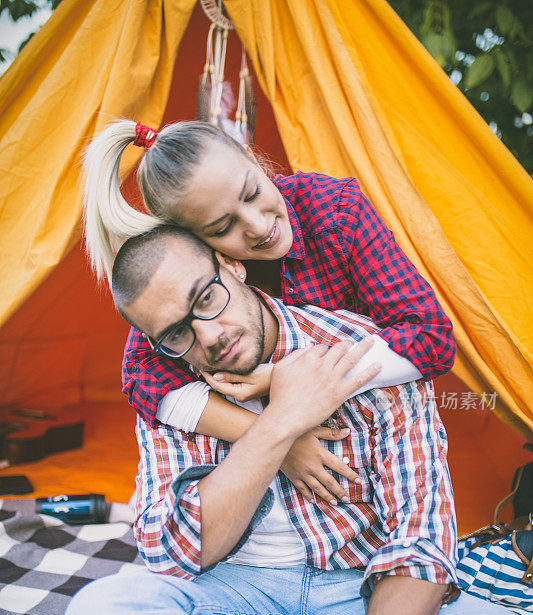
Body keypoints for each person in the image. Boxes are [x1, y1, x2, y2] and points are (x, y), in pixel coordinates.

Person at [57, 225, 533, 615]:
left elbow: (422, 543)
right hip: (233, 601)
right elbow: (176, 550)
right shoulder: (169, 386)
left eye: (205, 298)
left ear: (232, 266)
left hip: (358, 593)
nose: (208, 336)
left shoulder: (363, 354)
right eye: (177, 333)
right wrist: (280, 423)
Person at [83, 119, 456, 505]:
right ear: (197, 245)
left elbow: (431, 338)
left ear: (253, 159)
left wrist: (286, 380)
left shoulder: (335, 212)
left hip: (386, 453)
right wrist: (273, 437)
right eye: (223, 226)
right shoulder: (201, 277)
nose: (260, 226)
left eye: (252, 192)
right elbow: (142, 375)